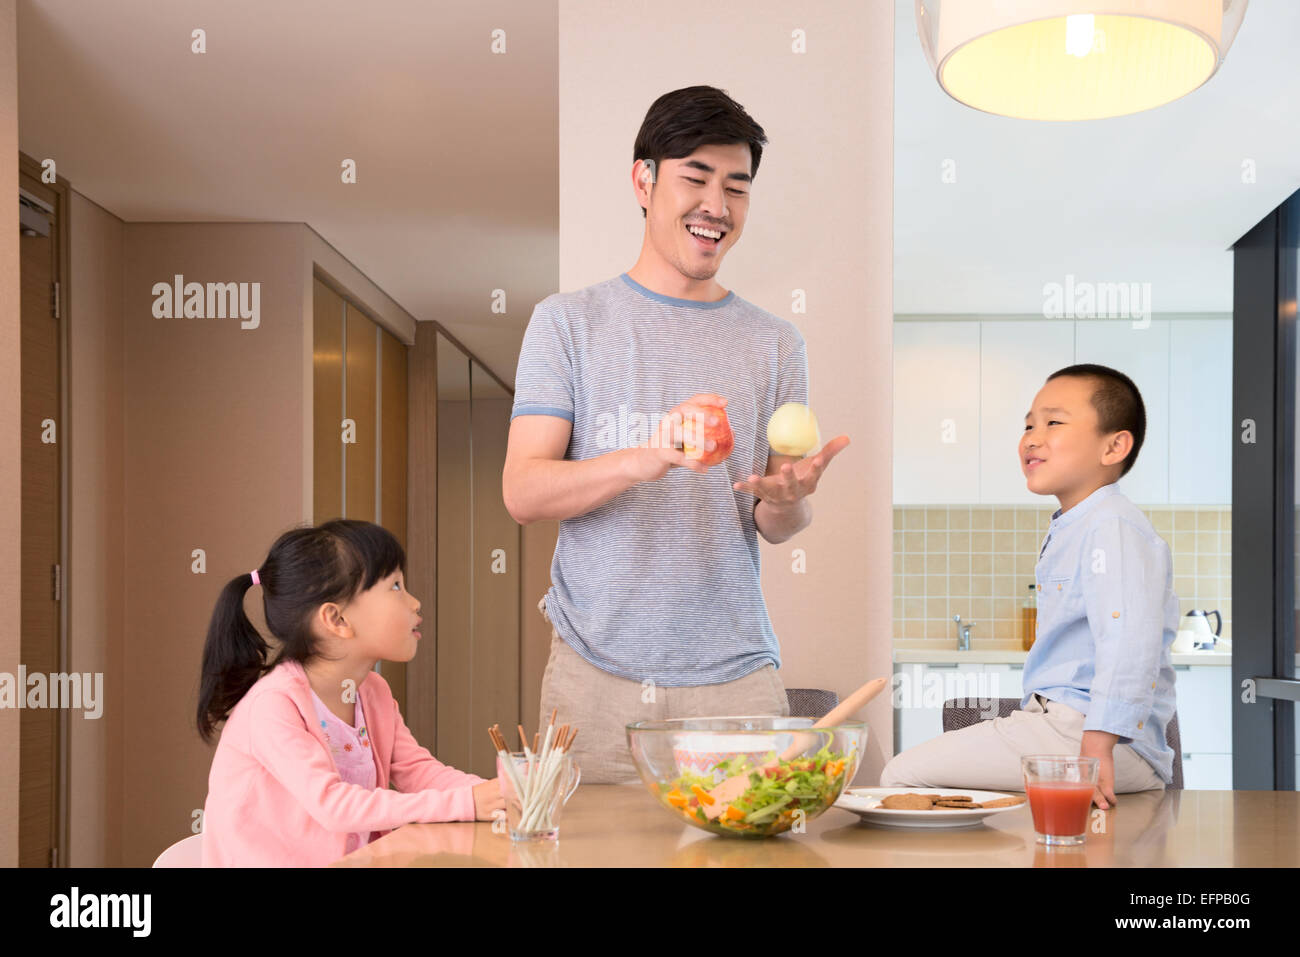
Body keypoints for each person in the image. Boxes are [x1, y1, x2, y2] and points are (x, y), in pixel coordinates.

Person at [504, 85, 850, 783]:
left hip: (735, 678)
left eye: (737, 188)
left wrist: (789, 496)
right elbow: (524, 490)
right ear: (644, 179)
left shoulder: (776, 343)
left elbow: (776, 520)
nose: (717, 207)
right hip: (592, 674)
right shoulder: (568, 323)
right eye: (695, 177)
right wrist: (645, 456)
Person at [880, 364, 1178, 808]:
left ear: (1114, 445)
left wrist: (1095, 749)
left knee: (903, 774)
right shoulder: (1080, 522)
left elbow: (1129, 642)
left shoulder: (1110, 524)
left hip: (1091, 735)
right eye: (1028, 425)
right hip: (1066, 727)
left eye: (1053, 423)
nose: (1032, 438)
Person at [196, 519, 504, 866]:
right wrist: (468, 804)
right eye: (396, 587)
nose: (415, 603)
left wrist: (499, 796)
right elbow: (333, 805)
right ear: (337, 619)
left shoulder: (373, 692)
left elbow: (420, 773)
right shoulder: (273, 706)